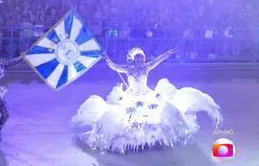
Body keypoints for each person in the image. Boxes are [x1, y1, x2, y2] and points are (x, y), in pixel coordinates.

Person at [71, 47, 222, 153]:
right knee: (131, 121)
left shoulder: (147, 67)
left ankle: (152, 142)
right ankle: (134, 144)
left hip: (146, 95)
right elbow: (113, 66)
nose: (141, 60)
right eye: (138, 58)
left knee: (151, 119)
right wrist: (106, 58)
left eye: (142, 58)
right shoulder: (127, 68)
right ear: (134, 59)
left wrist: (167, 53)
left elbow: (158, 60)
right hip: (132, 97)